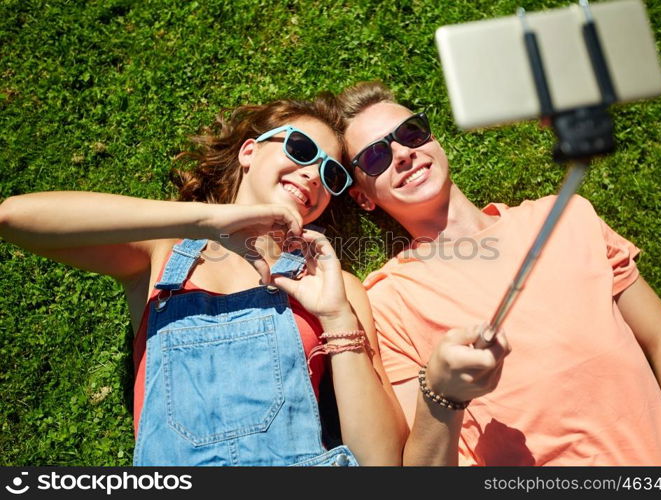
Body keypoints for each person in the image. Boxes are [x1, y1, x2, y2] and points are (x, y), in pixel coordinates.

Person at [0, 93, 408, 466]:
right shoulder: (160, 251)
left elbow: (383, 461)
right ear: (250, 151)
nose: (313, 174)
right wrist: (208, 220)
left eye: (330, 173)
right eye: (300, 149)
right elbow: (16, 218)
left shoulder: (332, 283)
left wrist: (337, 318)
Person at [337, 81, 661, 466]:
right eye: (376, 157)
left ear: (434, 141)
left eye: (411, 133)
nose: (403, 154)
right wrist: (440, 396)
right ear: (363, 197)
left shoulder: (565, 216)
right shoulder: (389, 300)